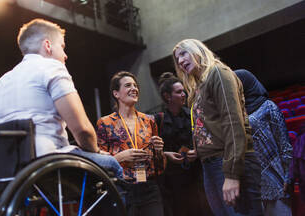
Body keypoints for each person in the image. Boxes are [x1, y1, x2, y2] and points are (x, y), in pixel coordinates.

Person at [0, 18, 122, 177]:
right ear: (47, 46)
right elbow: (83, 131)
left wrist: (1, 150)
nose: (65, 55)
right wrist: (97, 151)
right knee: (112, 165)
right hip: (48, 162)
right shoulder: (53, 68)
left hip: (7, 168)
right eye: (62, 47)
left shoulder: (3, 81)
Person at [173, 39, 263, 215]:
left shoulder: (218, 73)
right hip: (210, 164)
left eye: (184, 53)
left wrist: (231, 174)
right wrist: (199, 149)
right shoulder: (198, 87)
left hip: (227, 162)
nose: (181, 61)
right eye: (177, 59)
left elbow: (233, 123)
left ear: (198, 50)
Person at [96, 71, 166, 216]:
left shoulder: (149, 120)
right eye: (128, 85)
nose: (134, 88)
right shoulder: (105, 123)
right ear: (116, 94)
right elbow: (99, 165)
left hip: (149, 189)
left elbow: (159, 166)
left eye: (135, 85)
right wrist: (120, 157)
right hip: (122, 189)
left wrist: (159, 151)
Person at [235, 69, 293, 216]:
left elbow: (284, 146)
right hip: (253, 184)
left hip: (276, 179)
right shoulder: (236, 115)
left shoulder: (268, 106)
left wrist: (288, 176)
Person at [154, 72, 212, 216]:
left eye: (183, 91)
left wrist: (197, 152)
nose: (184, 94)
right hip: (173, 182)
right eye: (179, 92)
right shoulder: (157, 120)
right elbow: (153, 151)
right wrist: (166, 154)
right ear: (168, 96)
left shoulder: (192, 115)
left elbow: (206, 140)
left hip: (197, 176)